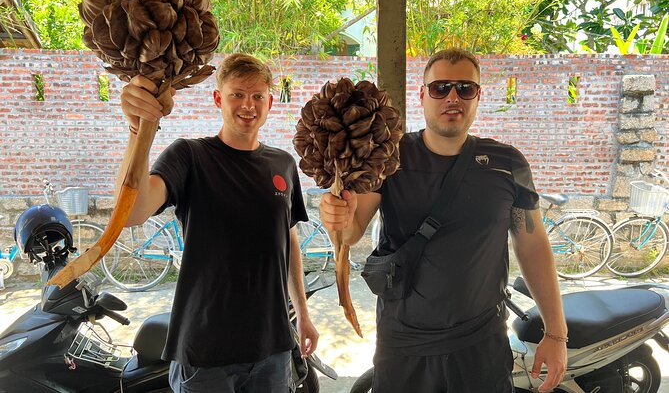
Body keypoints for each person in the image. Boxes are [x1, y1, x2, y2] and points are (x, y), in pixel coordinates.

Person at [320, 48, 567, 392]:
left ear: (478, 96)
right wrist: (336, 214)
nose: (453, 97)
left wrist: (556, 334)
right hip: (404, 343)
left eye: (465, 88)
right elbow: (351, 231)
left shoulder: (506, 163)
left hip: (480, 343)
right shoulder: (389, 157)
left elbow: (533, 245)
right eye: (440, 88)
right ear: (422, 95)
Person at [116, 53, 318, 392]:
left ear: (270, 101)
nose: (248, 105)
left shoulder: (283, 164)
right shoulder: (190, 156)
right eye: (237, 94)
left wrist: (304, 314)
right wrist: (139, 130)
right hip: (204, 351)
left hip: (272, 349)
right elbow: (132, 212)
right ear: (217, 99)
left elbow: (289, 241)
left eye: (257, 96)